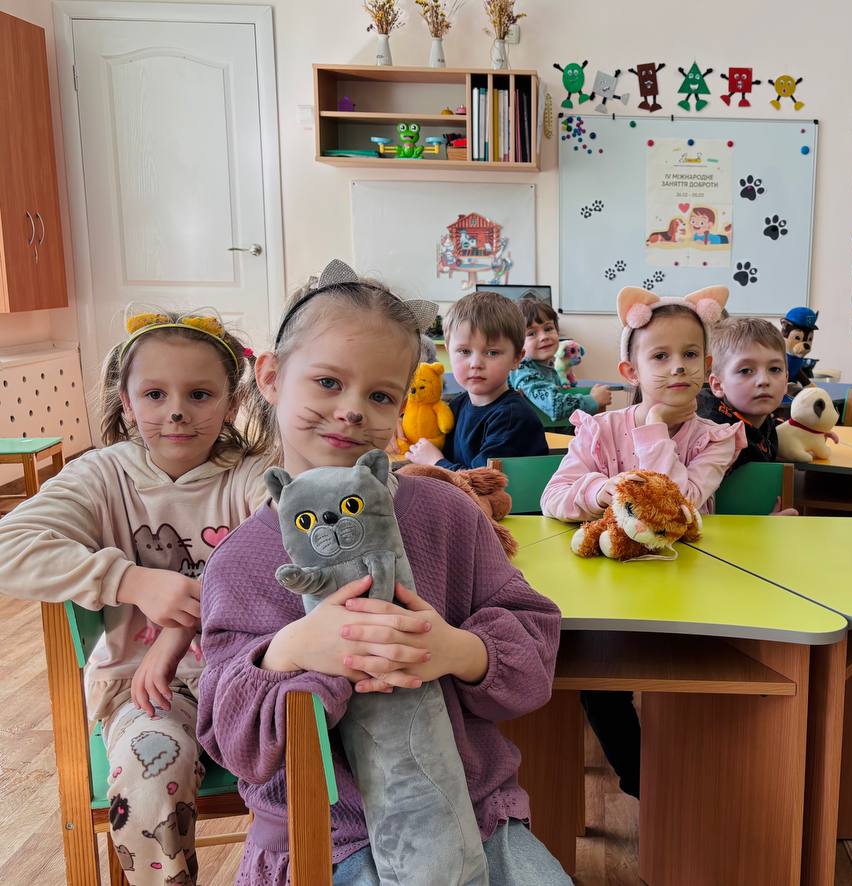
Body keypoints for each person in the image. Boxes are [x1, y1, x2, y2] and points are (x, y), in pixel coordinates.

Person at [196, 261, 569, 885]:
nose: (351, 411)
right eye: (327, 382)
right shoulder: (241, 560)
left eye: (380, 396)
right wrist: (290, 653)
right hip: (325, 844)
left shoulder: (447, 514)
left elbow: (534, 644)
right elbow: (232, 737)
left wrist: (458, 651)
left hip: (474, 821)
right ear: (271, 377)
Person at [0, 308, 269, 885]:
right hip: (146, 693)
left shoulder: (252, 475)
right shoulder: (102, 477)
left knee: (339, 761)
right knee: (149, 778)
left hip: (255, 685)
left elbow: (298, 552)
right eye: (154, 394)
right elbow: (8, 547)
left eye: (200, 394)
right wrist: (131, 580)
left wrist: (182, 622)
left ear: (231, 403)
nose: (176, 411)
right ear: (126, 403)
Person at [541, 286, 745, 799]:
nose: (677, 367)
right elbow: (553, 497)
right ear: (630, 371)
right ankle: (645, 782)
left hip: (689, 589)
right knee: (598, 678)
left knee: (692, 681)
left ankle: (693, 780)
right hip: (606, 588)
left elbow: (681, 504)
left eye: (690, 354)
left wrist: (654, 432)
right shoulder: (600, 430)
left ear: (707, 365)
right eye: (660, 356)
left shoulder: (714, 439)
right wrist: (600, 490)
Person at [405, 290, 548, 470]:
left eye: (492, 353)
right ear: (449, 351)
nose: (476, 364)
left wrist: (435, 462)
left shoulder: (512, 418)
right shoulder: (458, 405)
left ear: (516, 358)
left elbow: (480, 482)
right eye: (464, 351)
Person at [697, 317, 787, 472]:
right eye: (746, 371)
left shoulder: (766, 422)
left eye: (774, 369)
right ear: (718, 385)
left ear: (786, 381)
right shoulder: (712, 437)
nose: (764, 380)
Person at [508, 296, 611, 422]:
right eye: (531, 333)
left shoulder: (550, 367)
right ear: (516, 344)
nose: (544, 337)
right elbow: (555, 407)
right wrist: (593, 400)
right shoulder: (523, 371)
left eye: (548, 329)